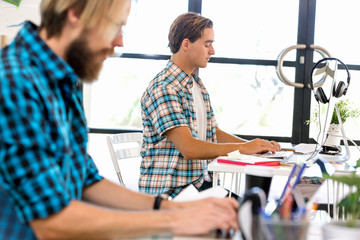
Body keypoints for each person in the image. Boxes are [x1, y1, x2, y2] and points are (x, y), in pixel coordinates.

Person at [0, 1, 240, 239]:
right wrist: (175, 219)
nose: (120, 42)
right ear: (76, 14)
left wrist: (173, 207)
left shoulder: (60, 81)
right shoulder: (14, 82)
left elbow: (85, 178)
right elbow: (51, 221)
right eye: (116, 27)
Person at [140, 12, 281, 198]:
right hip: (172, 193)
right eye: (207, 44)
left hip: (198, 184)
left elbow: (213, 133)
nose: (212, 51)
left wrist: (254, 146)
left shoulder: (196, 85)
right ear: (186, 44)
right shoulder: (164, 88)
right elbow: (188, 148)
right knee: (247, 214)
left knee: (252, 208)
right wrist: (243, 149)